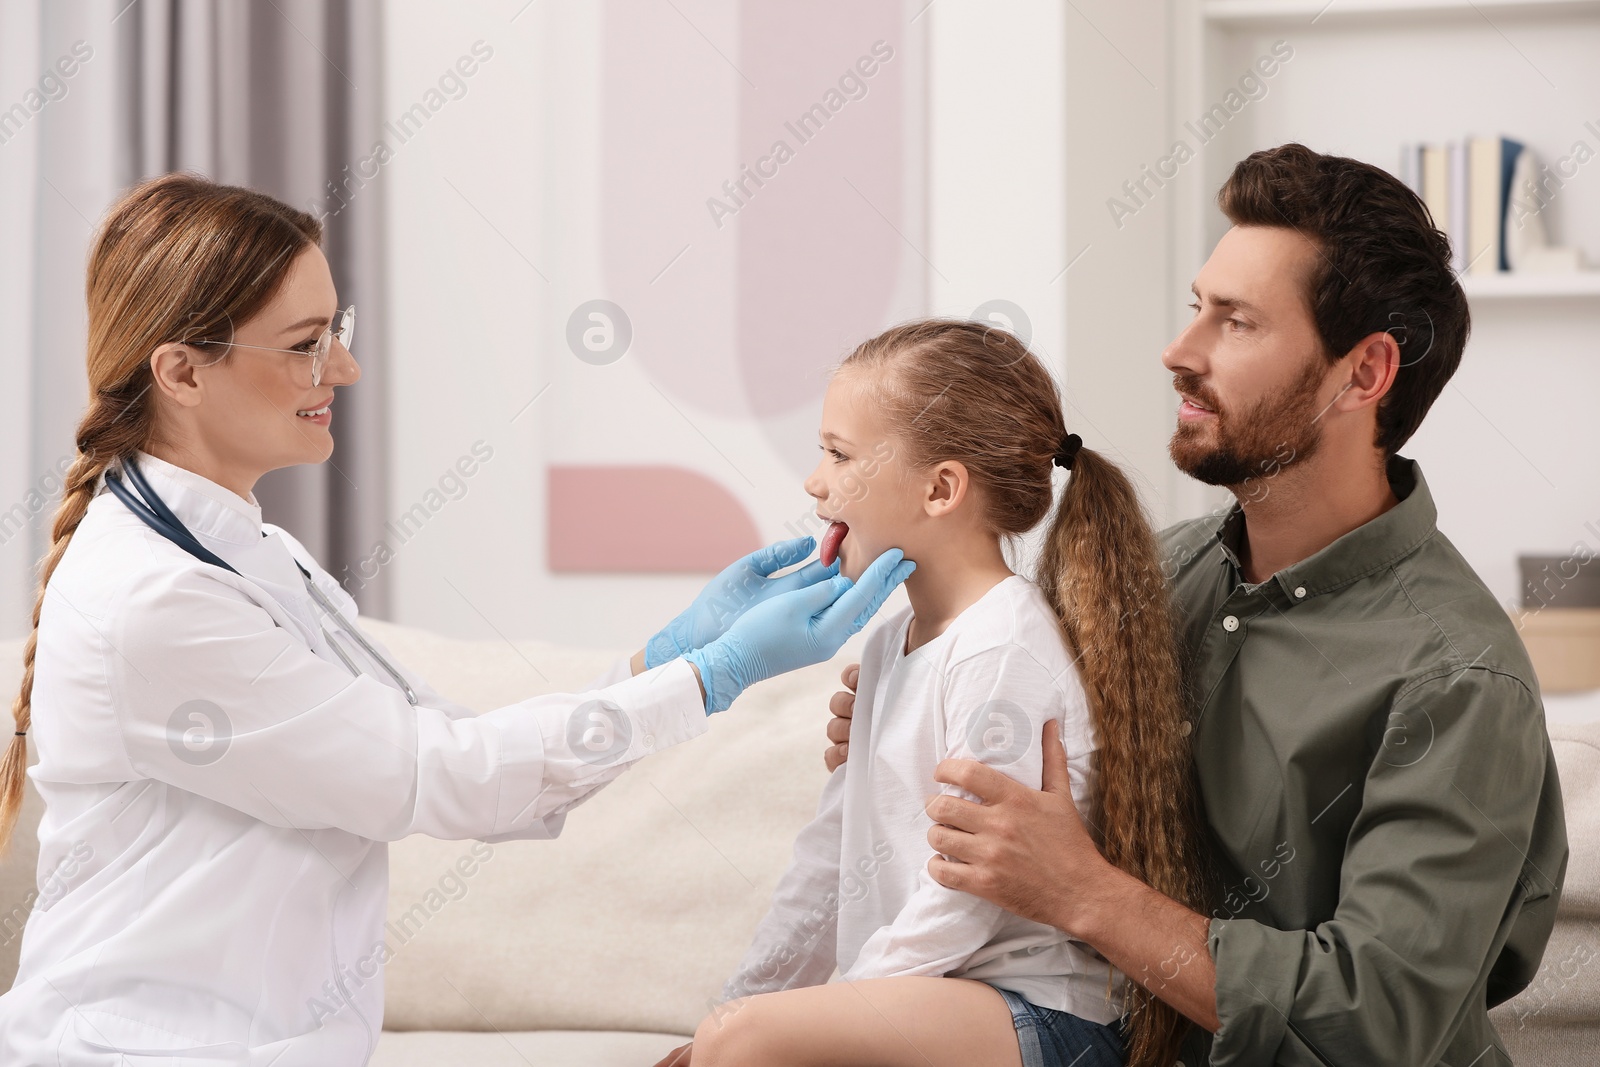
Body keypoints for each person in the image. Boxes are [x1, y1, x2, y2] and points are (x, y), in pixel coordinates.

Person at [0, 172, 914, 1065]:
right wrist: (715, 677)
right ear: (181, 373)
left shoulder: (244, 550)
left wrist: (672, 653)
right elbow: (438, 776)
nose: (345, 368)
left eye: (339, 330)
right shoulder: (156, 602)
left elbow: (452, 740)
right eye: (306, 343)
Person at [826, 144, 1569, 1066]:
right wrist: (902, 723)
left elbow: (1375, 1019)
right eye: (1196, 308)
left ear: (1364, 374)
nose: (1180, 353)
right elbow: (1004, 744)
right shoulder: (1143, 578)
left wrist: (1088, 893)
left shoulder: (1458, 677)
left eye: (1238, 322)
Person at [655, 320, 1209, 1067]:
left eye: (838, 454)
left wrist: (824, 1012)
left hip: (1044, 1021)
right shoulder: (890, 646)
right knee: (734, 1034)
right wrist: (736, 1010)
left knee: (746, 1039)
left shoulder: (1004, 647)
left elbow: (968, 895)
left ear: (941, 488)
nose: (816, 482)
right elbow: (825, 862)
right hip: (942, 1008)